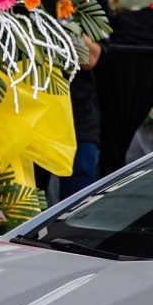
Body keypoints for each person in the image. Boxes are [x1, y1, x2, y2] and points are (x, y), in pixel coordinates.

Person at [54, 35, 102, 200]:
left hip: (78, 121)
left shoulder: (83, 18)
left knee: (78, 205)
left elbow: (90, 58)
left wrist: (64, 24)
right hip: (30, 120)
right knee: (29, 205)